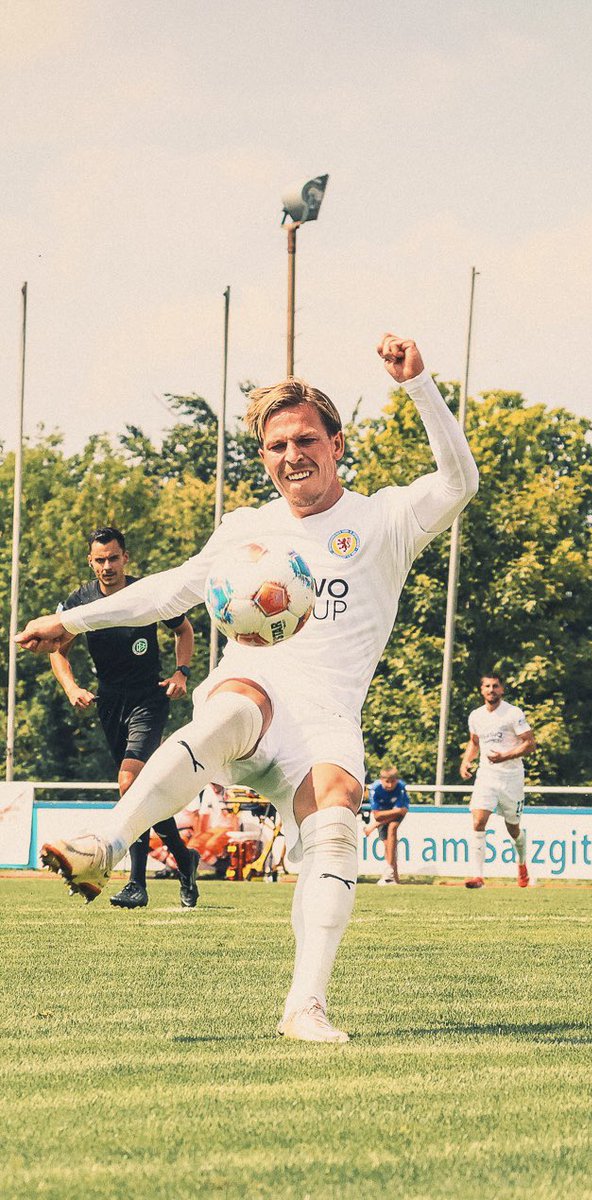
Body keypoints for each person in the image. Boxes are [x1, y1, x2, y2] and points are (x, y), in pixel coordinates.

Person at [18, 334, 479, 1043]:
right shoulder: (245, 529)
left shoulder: (384, 518)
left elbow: (459, 483)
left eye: (306, 439)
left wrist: (418, 386)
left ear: (336, 444)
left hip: (325, 718)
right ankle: (105, 843)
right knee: (236, 703)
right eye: (276, 445)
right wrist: (72, 620)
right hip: (253, 687)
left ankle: (305, 1006)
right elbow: (170, 590)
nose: (292, 455)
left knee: (336, 830)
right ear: (263, 458)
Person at [50, 526, 200, 910]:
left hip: (149, 698)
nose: (107, 566)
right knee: (140, 790)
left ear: (125, 558)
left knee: (129, 782)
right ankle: (184, 860)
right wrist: (71, 687)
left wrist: (182, 672)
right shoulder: (81, 601)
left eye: (113, 558)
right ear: (90, 562)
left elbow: (184, 630)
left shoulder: (146, 593)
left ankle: (137, 883)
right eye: (100, 560)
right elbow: (57, 648)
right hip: (109, 703)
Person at [459, 674, 536, 889]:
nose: (491, 689)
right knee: (478, 821)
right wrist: (466, 761)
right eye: (487, 686)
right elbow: (474, 742)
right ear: (481, 690)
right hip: (487, 776)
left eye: (495, 686)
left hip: (511, 778)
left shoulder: (513, 713)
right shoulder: (476, 716)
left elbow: (530, 744)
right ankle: (478, 876)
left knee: (513, 829)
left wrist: (505, 756)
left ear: (502, 690)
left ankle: (521, 863)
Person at [365, 763, 410, 885]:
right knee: (388, 846)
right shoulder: (375, 789)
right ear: (381, 780)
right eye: (387, 782)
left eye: (393, 781)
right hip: (384, 815)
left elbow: (402, 811)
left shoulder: (401, 787)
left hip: (394, 815)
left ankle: (389, 874)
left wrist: (374, 825)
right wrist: (396, 811)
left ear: (397, 780)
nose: (390, 785)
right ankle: (394, 878)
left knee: (392, 828)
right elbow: (377, 815)